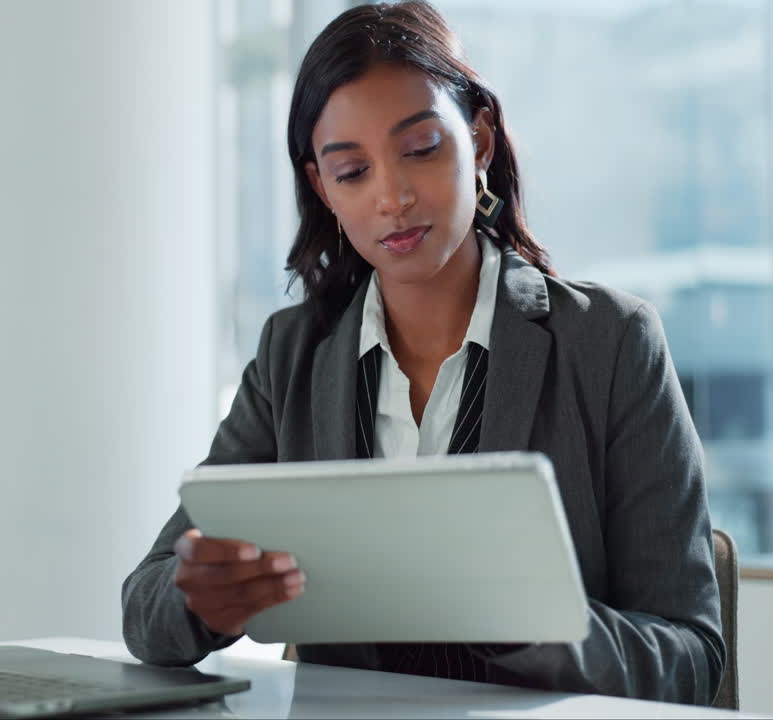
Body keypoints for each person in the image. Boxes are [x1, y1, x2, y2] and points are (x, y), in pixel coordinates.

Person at [122, 0, 723, 706]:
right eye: (353, 171)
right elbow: (145, 607)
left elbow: (692, 656)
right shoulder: (293, 356)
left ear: (481, 140)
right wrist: (202, 602)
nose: (394, 197)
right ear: (322, 188)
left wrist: (534, 623)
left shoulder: (611, 343)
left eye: (420, 150)